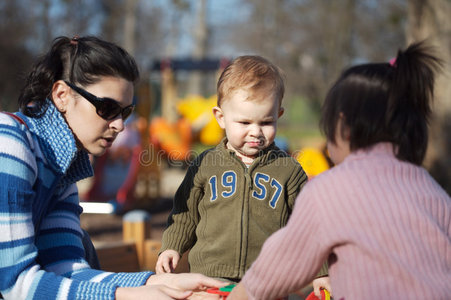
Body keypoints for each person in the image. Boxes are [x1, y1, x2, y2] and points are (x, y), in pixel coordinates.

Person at [0, 35, 226, 300]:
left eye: (125, 112)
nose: (119, 125)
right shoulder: (9, 143)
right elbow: (14, 283)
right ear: (61, 95)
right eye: (107, 108)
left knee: (82, 245)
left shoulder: (61, 171)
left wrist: (160, 284)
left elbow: (67, 271)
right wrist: (133, 295)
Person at [228, 42, 451, 300]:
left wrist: (236, 296)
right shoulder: (434, 192)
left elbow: (272, 274)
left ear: (342, 127)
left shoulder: (330, 190)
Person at [156, 55, 329, 286]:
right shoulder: (205, 166)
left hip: (268, 283)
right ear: (221, 118)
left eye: (266, 123)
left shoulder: (289, 171)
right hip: (209, 280)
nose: (256, 132)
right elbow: (185, 214)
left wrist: (321, 271)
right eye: (245, 123)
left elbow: (309, 224)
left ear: (278, 116)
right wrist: (171, 247)